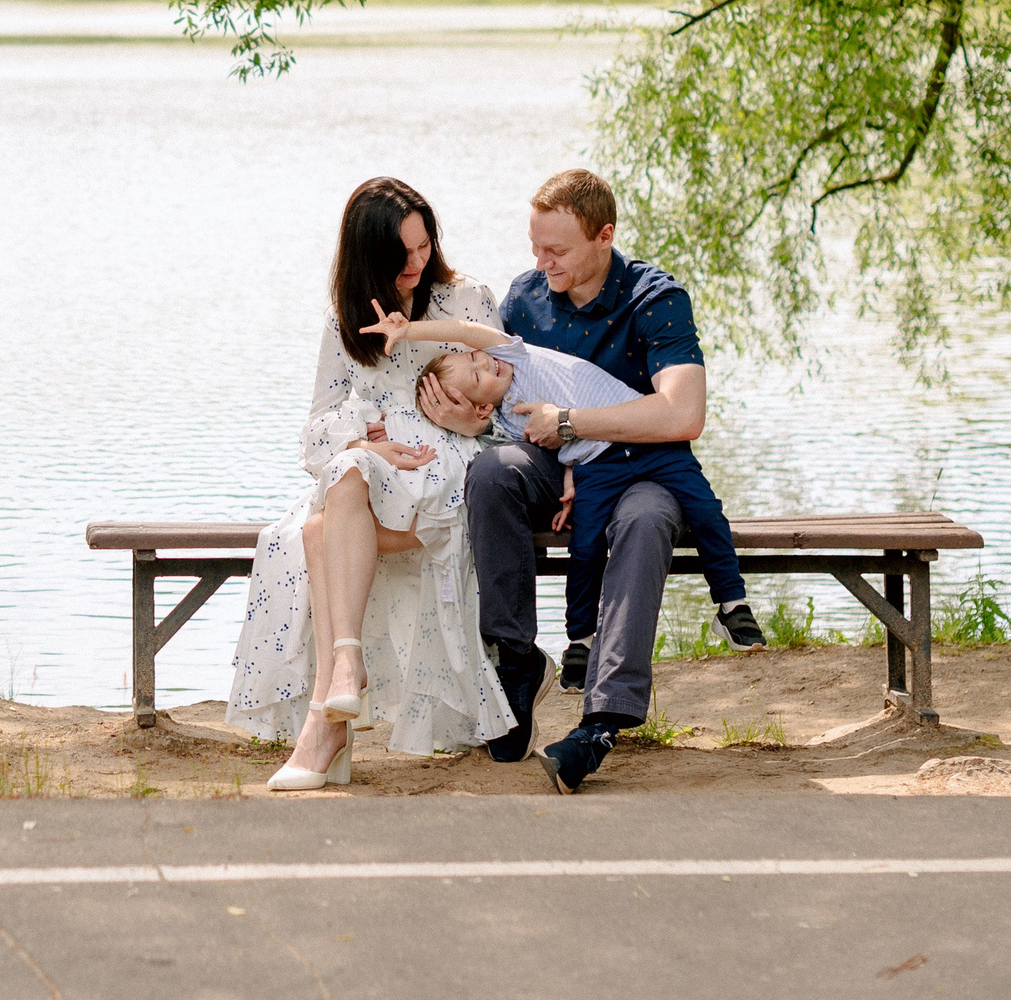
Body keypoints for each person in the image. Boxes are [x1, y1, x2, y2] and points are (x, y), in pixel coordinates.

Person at [419, 168, 750, 793]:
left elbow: (684, 414)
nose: (541, 263)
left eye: (557, 250)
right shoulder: (526, 297)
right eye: (535, 247)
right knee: (491, 472)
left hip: (645, 468)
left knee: (645, 521)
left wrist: (571, 421)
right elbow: (504, 408)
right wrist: (466, 421)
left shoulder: (655, 298)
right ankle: (517, 662)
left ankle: (600, 723)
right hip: (559, 467)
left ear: (605, 236)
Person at [226, 177, 514, 787]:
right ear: (367, 256)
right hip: (375, 473)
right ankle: (344, 672)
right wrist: (361, 438)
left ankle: (329, 715)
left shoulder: (466, 298)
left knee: (318, 533)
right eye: (401, 253)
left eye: (424, 246)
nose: (416, 263)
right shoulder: (347, 320)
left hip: (451, 471)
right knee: (341, 475)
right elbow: (314, 433)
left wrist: (472, 422)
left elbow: (517, 403)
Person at [397, 318, 755, 667]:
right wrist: (569, 479)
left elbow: (463, 329)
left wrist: (408, 329)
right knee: (586, 546)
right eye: (478, 377)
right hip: (598, 467)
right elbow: (556, 449)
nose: (486, 363)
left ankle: (732, 605)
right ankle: (581, 640)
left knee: (706, 511)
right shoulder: (509, 424)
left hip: (651, 443)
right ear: (482, 407)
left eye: (476, 356)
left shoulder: (515, 355)